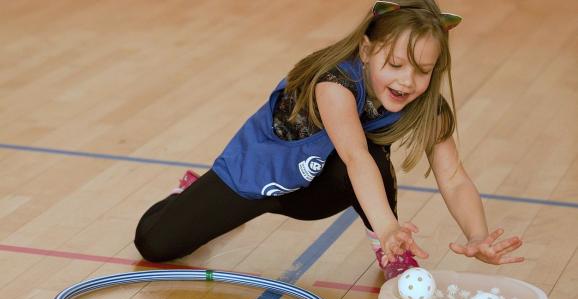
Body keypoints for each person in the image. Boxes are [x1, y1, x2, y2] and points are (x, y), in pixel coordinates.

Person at [134, 0, 524, 280]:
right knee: (154, 245)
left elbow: (453, 175)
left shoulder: (425, 105)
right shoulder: (335, 83)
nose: (407, 81)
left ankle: (388, 247)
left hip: (317, 188)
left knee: (368, 153)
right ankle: (188, 192)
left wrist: (477, 236)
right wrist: (391, 224)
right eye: (395, 65)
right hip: (256, 177)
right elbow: (355, 157)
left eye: (423, 71)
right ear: (367, 50)